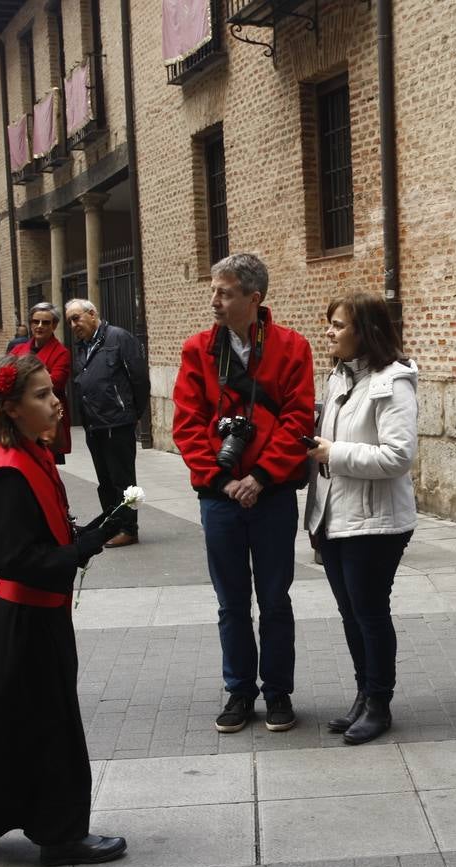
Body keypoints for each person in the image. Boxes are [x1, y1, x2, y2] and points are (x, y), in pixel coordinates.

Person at [0, 354, 126, 866]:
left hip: (36, 619)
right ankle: (60, 836)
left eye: (52, 391)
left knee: (26, 724)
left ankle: (19, 813)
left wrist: (90, 533)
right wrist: (85, 547)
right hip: (25, 623)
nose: (55, 402)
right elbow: (13, 559)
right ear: (11, 408)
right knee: (49, 728)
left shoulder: (34, 457)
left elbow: (42, 538)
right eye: (41, 395)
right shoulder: (10, 472)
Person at [172, 253, 314, 734]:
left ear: (253, 298)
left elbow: (298, 419)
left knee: (275, 599)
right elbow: (187, 425)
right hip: (219, 498)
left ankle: (277, 692)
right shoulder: (197, 351)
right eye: (214, 290)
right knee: (231, 601)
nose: (214, 300)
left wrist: (262, 477)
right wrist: (224, 480)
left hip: (271, 496)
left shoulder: (292, 347)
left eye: (225, 292)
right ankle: (238, 690)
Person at [304, 294, 418, 744]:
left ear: (365, 331)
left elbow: (398, 455)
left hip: (376, 522)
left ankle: (379, 703)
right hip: (335, 516)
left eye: (337, 325)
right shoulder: (339, 377)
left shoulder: (394, 381)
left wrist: (335, 452)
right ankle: (362, 693)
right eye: (329, 323)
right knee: (350, 612)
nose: (329, 332)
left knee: (369, 613)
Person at [65, 299, 150, 549]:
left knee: (122, 480)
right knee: (104, 481)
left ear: (92, 314)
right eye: (70, 320)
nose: (73, 324)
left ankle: (128, 529)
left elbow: (139, 379)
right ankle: (112, 524)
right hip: (95, 425)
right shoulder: (83, 347)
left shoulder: (118, 338)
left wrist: (134, 413)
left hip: (117, 423)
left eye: (77, 318)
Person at [10, 303, 71, 463]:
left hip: (46, 419)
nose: (39, 326)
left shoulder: (61, 353)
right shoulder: (17, 350)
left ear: (54, 325)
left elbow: (55, 382)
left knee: (47, 466)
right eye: (35, 321)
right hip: (20, 420)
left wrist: (19, 381)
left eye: (46, 322)